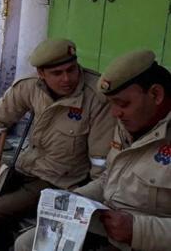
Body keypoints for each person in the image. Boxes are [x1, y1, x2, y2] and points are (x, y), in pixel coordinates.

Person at [0, 38, 116, 251]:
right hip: (24, 167)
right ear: (41, 74)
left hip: (58, 181)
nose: (67, 79)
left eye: (71, 69)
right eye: (57, 74)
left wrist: (86, 204)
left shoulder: (95, 97)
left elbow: (100, 162)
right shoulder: (30, 86)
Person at [15, 50, 171, 251]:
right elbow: (112, 176)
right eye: (112, 104)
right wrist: (74, 199)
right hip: (107, 228)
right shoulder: (131, 122)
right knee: (27, 244)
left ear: (156, 94)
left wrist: (137, 230)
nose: (115, 113)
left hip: (146, 242)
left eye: (123, 104)